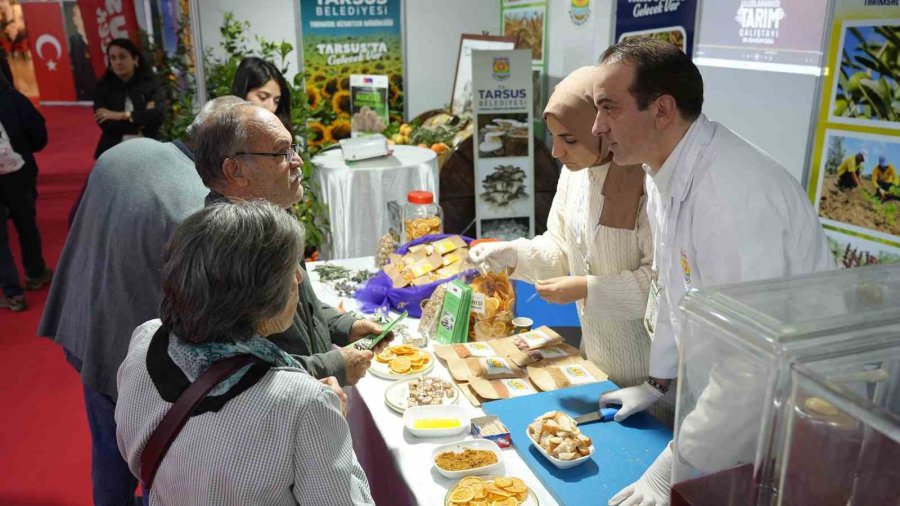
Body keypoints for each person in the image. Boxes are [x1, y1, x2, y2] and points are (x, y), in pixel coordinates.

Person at [588, 38, 834, 505]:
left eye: (609, 108)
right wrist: (656, 383)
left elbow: (750, 365)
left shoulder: (729, 195)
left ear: (662, 110)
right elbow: (674, 290)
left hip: (792, 416)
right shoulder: (664, 171)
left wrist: (673, 469)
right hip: (739, 406)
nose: (598, 126)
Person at [39, 96, 242, 506]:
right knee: (159, 469)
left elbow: (76, 223)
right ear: (231, 159)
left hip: (84, 330)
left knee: (108, 449)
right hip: (141, 363)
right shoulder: (197, 205)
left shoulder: (123, 152)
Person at [116, 200, 374, 505]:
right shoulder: (305, 404)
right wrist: (333, 428)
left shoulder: (146, 338)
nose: (299, 278)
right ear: (258, 298)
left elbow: (133, 452)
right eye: (289, 271)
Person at [468, 66, 669, 419]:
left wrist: (586, 289)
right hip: (594, 365)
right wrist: (513, 254)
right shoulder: (575, 174)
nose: (556, 151)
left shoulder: (650, 183)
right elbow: (561, 247)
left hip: (653, 383)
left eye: (570, 139)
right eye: (553, 137)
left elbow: (660, 287)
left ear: (603, 127)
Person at [194, 102, 385, 386]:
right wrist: (333, 366)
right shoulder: (228, 251)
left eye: (293, 149)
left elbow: (304, 308)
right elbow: (241, 374)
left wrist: (346, 327)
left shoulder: (272, 220)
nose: (297, 161)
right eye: (282, 152)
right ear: (235, 170)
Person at [0, 68, 50, 312]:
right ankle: (35, 273)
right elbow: (39, 136)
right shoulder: (14, 99)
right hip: (19, 174)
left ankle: (13, 293)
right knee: (26, 224)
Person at [92, 38, 165, 159]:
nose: (118, 62)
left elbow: (158, 116)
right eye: (113, 58)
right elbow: (107, 124)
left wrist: (120, 115)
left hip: (149, 145)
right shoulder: (102, 88)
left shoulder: (150, 84)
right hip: (113, 149)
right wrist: (142, 120)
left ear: (135, 59)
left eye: (122, 57)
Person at [231, 56, 292, 130]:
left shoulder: (280, 132)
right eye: (263, 97)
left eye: (276, 101)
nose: (272, 108)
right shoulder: (223, 131)